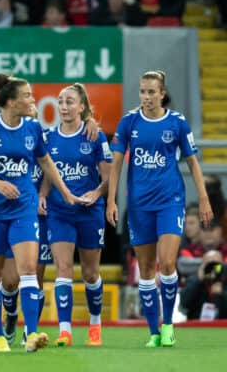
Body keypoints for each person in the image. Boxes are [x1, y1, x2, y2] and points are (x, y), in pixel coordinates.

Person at [0, 73, 80, 352]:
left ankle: (32, 334)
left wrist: (65, 192)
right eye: (27, 95)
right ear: (12, 102)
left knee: (28, 270)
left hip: (23, 208)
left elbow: (46, 160)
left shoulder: (33, 128)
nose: (33, 100)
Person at [106, 70, 214, 348]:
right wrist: (111, 199)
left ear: (162, 93)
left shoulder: (177, 123)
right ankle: (153, 331)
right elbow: (116, 164)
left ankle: (168, 326)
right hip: (140, 205)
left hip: (170, 201)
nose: (146, 97)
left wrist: (203, 198)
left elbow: (192, 163)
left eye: (152, 92)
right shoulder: (129, 121)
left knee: (166, 264)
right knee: (144, 269)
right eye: (143, 91)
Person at [38, 83, 112, 347]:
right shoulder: (48, 137)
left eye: (70, 102)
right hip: (60, 212)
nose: (64, 107)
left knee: (91, 273)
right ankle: (65, 330)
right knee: (63, 268)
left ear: (82, 107)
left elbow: (108, 177)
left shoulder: (94, 136)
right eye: (61, 101)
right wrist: (43, 194)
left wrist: (96, 192)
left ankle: (95, 324)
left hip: (89, 212)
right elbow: (49, 173)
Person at [181, 250, 227, 320]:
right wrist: (198, 281)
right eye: (208, 264)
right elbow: (184, 304)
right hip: (197, 324)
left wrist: (221, 294)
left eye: (216, 265)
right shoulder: (193, 280)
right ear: (202, 265)